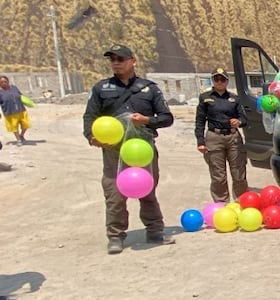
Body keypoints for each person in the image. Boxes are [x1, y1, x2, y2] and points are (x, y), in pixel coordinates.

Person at [82, 44, 175, 254]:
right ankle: (115, 236)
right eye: (112, 59)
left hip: (143, 148)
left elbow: (166, 118)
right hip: (114, 150)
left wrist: (146, 120)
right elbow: (90, 117)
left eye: (120, 59)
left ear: (133, 61)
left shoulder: (149, 88)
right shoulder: (101, 88)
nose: (116, 63)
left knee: (148, 190)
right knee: (114, 193)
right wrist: (92, 137)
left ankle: (155, 231)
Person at [195, 67, 249, 202]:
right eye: (216, 79)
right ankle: (221, 205)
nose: (219, 82)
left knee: (239, 173)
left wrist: (239, 122)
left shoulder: (234, 98)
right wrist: (200, 142)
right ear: (212, 80)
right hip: (214, 137)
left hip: (233, 138)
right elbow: (200, 121)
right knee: (218, 175)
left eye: (222, 79)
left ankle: (241, 202)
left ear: (227, 81)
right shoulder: (205, 98)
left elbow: (244, 119)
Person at [0, 75, 31, 144]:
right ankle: (18, 139)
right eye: (1, 82)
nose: (4, 83)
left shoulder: (14, 88)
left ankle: (21, 135)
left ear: (8, 81)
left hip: (21, 110)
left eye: (5, 81)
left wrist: (28, 102)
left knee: (25, 125)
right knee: (14, 127)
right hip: (9, 112)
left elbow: (21, 96)